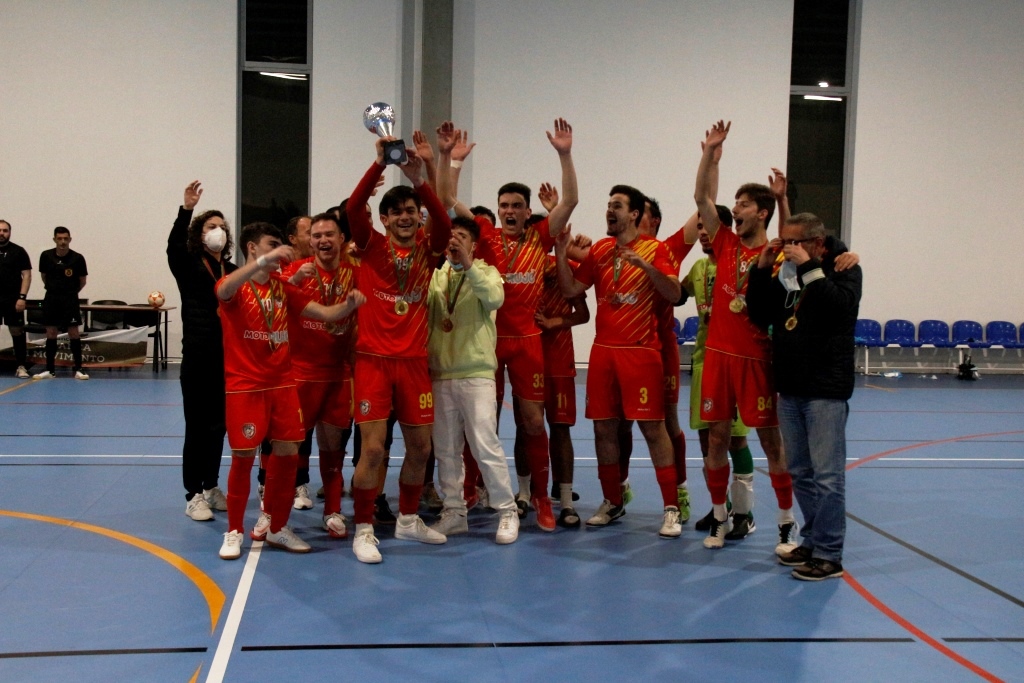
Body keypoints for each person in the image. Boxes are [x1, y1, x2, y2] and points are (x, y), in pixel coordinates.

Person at [440, 119, 579, 531]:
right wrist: (455, 162)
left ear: (527, 210)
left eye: (517, 205)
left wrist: (564, 154)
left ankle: (540, 497)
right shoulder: (484, 235)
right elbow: (447, 199)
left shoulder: (539, 235)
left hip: (528, 342)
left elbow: (569, 201)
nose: (510, 212)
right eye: (504, 206)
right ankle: (471, 492)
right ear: (497, 210)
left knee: (533, 422)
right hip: (487, 344)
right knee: (479, 422)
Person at [215, 221, 364, 560]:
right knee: (243, 458)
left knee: (287, 457)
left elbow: (325, 313)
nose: (280, 251)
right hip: (246, 388)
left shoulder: (283, 288)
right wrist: (262, 264)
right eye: (271, 244)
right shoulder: (234, 285)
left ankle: (279, 527)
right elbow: (223, 291)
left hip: (283, 385)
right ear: (252, 248)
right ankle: (234, 530)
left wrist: (350, 305)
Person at [345, 135, 453, 564]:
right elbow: (354, 210)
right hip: (373, 362)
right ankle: (365, 528)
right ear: (385, 219)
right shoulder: (371, 246)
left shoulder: (429, 249)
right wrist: (377, 166)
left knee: (421, 449)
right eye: (398, 212)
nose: (406, 217)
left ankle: (408, 520)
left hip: (413, 364)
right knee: (373, 449)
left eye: (412, 211)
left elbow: (444, 224)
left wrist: (419, 179)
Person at [555, 185, 685, 538]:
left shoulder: (655, 249)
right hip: (603, 351)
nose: (609, 211)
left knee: (652, 429)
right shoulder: (599, 249)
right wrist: (559, 248)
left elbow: (675, 294)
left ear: (635, 214)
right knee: (602, 429)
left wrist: (647, 267)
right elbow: (570, 291)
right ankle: (612, 501)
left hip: (641, 353)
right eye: (608, 205)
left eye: (617, 205)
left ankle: (671, 508)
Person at [692, 120, 797, 552]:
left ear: (762, 213)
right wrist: (710, 154)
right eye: (733, 203)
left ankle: (787, 524)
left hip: (756, 357)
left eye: (743, 204)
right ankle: (720, 517)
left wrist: (784, 198)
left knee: (772, 442)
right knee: (717, 437)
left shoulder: (773, 254)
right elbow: (702, 197)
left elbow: (791, 236)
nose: (734, 209)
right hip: (718, 354)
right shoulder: (724, 244)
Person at [746, 212, 862, 581]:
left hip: (825, 389)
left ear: (817, 243)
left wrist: (810, 265)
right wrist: (762, 271)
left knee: (828, 476)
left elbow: (836, 307)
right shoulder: (787, 274)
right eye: (784, 243)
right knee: (800, 472)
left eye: (794, 243)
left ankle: (830, 553)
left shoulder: (844, 269)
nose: (787, 249)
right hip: (791, 386)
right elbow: (759, 313)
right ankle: (812, 541)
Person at [426, 216, 519, 543]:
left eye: (461, 237)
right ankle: (454, 511)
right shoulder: (436, 277)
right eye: (450, 237)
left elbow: (495, 299)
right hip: (441, 374)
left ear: (473, 245)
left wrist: (467, 265)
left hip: (476, 373)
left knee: (484, 444)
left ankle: (507, 510)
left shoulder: (487, 273)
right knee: (446, 449)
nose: (453, 242)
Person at [277, 212, 359, 540]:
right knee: (289, 446)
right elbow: (269, 301)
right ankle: (275, 511)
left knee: (333, 445)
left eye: (329, 234)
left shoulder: (356, 272)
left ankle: (333, 510)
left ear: (341, 239)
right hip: (301, 373)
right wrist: (292, 282)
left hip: (339, 373)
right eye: (316, 235)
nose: (323, 240)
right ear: (309, 241)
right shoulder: (296, 271)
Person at [682, 208, 758, 532]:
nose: (701, 232)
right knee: (707, 441)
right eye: (698, 227)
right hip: (702, 362)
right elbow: (675, 293)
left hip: (734, 362)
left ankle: (745, 514)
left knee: (736, 441)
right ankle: (721, 511)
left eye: (706, 227)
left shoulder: (741, 264)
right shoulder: (698, 267)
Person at [167, 181, 237, 522]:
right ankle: (193, 493)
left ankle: (211, 486)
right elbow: (173, 248)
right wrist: (187, 210)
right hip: (197, 358)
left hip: (228, 360)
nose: (218, 232)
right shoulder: (189, 264)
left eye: (222, 227)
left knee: (218, 427)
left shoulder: (233, 270)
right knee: (196, 427)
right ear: (199, 234)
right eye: (211, 227)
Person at [33, 227, 88, 380]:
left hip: (70, 300)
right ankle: (50, 370)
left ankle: (79, 369)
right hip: (51, 299)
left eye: (65, 239)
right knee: (51, 333)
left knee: (73, 333)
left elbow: (82, 281)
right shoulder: (46, 256)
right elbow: (44, 277)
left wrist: (69, 293)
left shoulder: (77, 258)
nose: (63, 242)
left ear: (70, 239)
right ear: (54, 240)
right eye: (59, 239)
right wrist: (55, 290)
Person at [0, 220, 32, 378]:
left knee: (17, 331)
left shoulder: (18, 251)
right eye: (0, 230)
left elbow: (26, 275)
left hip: (13, 299)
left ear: (9, 232)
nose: (2, 233)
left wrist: (22, 297)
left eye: (5, 230)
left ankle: (21, 366)